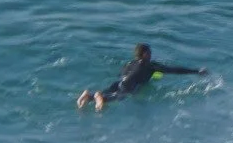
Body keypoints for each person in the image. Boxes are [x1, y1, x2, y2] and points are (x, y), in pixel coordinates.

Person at [77, 43, 205, 110]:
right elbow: (175, 70)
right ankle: (100, 98)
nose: (151, 54)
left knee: (107, 93)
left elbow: (122, 74)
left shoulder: (130, 63)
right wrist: (196, 71)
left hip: (119, 82)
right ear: (144, 54)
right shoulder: (150, 66)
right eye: (149, 52)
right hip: (130, 86)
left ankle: (89, 95)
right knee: (115, 98)